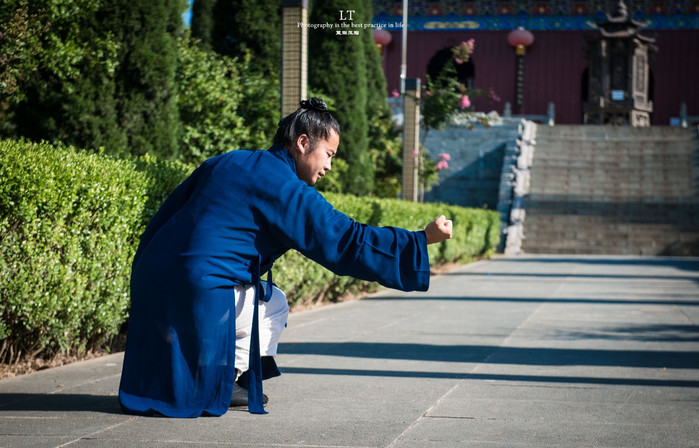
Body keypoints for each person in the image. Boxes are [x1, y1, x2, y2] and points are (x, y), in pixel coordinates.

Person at [118, 98, 453, 417]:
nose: (329, 167)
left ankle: (184, 382)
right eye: (329, 154)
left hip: (152, 277)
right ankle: (224, 382)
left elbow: (167, 215)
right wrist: (421, 240)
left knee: (261, 298)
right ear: (303, 143)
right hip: (199, 289)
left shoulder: (227, 160)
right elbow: (347, 240)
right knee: (274, 304)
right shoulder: (286, 189)